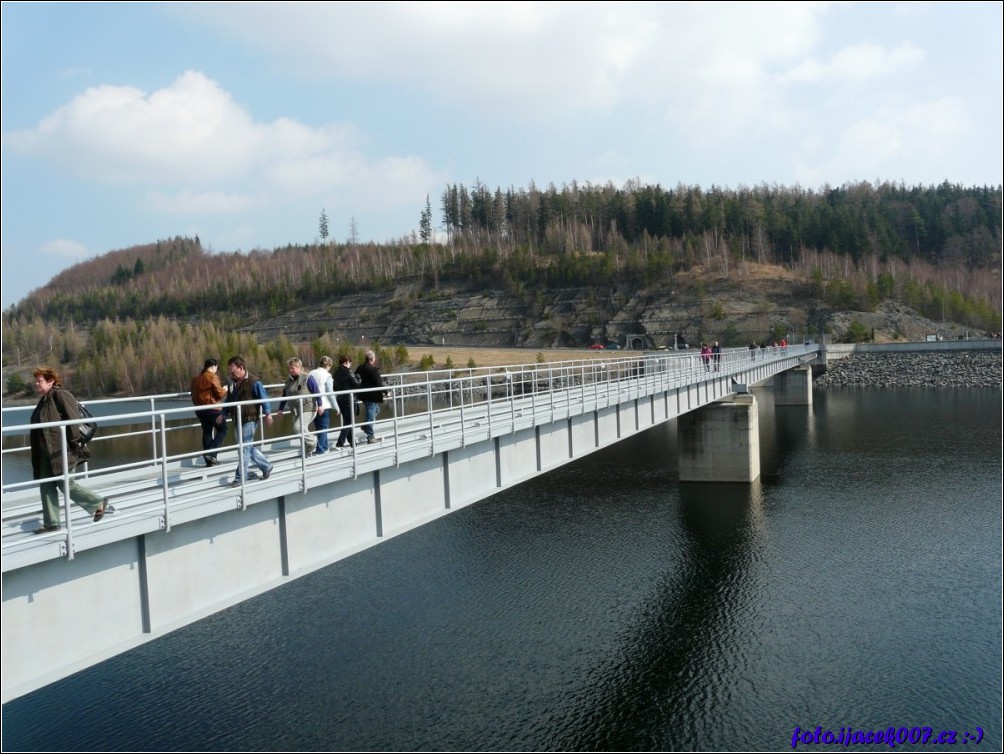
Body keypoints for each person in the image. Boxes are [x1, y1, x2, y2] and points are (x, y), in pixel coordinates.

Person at [29, 366, 109, 533]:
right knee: (46, 485)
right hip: (45, 451)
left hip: (62, 450)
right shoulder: (44, 400)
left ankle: (98, 503)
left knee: (66, 484)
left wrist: (74, 443)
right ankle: (51, 523)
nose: (36, 383)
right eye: (36, 380)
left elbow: (73, 420)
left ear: (51, 381)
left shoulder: (61, 395)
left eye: (39, 380)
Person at [224, 355, 274, 487]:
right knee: (247, 447)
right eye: (230, 370)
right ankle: (266, 466)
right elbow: (229, 400)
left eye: (232, 370)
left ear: (241, 368)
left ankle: (240, 478)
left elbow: (263, 398)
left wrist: (268, 413)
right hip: (237, 418)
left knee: (244, 449)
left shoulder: (254, 382)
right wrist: (223, 413)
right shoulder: (232, 383)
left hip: (250, 418)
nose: (230, 373)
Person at [275, 357, 318, 456]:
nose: (291, 370)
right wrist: (280, 408)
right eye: (289, 368)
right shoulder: (289, 381)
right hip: (295, 410)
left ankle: (312, 440)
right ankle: (307, 452)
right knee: (301, 433)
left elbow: (316, 392)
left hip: (308, 408)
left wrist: (320, 405)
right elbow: (285, 395)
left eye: (293, 368)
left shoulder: (308, 378)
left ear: (299, 367)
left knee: (297, 428)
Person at [191, 357, 228, 466]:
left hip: (200, 410)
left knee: (207, 432)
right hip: (213, 409)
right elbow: (219, 394)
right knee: (223, 429)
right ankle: (211, 454)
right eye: (216, 367)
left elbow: (193, 394)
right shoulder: (212, 377)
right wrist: (225, 389)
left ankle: (208, 460)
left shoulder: (196, 379)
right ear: (213, 366)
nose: (216, 369)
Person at [354, 349, 386, 444]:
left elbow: (356, 378)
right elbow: (379, 383)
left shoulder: (360, 368)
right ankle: (370, 437)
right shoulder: (373, 369)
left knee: (376, 410)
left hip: (363, 394)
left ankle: (365, 426)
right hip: (371, 395)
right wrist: (386, 392)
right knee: (371, 415)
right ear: (373, 359)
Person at [307, 356, 337, 455]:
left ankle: (325, 447)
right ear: (328, 365)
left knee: (319, 428)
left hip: (312, 404)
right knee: (323, 428)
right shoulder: (327, 375)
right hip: (324, 404)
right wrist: (336, 407)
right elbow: (330, 393)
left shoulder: (311, 373)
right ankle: (320, 450)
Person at [332, 354, 359, 449]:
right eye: (350, 362)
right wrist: (358, 378)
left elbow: (334, 387)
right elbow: (357, 384)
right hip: (349, 400)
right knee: (349, 422)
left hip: (340, 399)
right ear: (347, 362)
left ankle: (352, 443)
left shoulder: (335, 373)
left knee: (347, 421)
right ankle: (340, 443)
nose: (350, 364)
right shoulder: (348, 371)